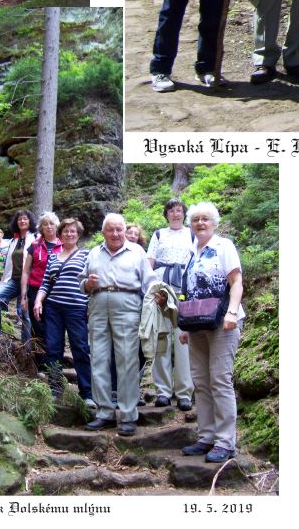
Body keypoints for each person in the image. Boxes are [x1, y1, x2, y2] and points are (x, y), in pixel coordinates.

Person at [178, 201, 245, 464]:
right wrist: (184, 326)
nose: (200, 223)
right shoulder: (190, 252)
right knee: (201, 382)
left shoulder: (223, 246)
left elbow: (236, 281)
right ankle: (206, 437)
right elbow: (188, 291)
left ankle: (225, 442)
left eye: (205, 219)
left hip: (222, 323)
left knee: (219, 380)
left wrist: (232, 311)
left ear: (214, 223)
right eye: (195, 219)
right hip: (197, 325)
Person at [81, 213, 149, 437]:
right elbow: (82, 282)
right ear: (103, 232)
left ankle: (128, 415)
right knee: (99, 358)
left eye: (119, 229)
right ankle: (104, 412)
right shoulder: (93, 252)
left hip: (128, 307)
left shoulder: (137, 252)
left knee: (128, 359)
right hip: (98, 307)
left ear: (124, 230)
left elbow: (149, 282)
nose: (116, 233)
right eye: (110, 229)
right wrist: (87, 284)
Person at [34, 217, 94, 403]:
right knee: (53, 349)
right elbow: (45, 283)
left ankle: (87, 393)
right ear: (60, 234)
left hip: (76, 307)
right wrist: (38, 301)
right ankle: (55, 389)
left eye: (73, 231)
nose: (69, 233)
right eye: (66, 231)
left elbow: (91, 283)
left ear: (78, 235)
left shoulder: (87, 255)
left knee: (80, 348)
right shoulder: (52, 256)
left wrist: (90, 304)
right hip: (53, 308)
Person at [146, 199, 195, 411]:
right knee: (161, 340)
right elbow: (149, 264)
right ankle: (163, 391)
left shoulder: (192, 234)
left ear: (184, 214)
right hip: (162, 291)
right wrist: (151, 290)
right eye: (171, 211)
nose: (175, 214)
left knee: (184, 342)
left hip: (184, 290)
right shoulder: (158, 235)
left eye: (179, 211)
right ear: (166, 214)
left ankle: (184, 392)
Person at [0, 210, 37, 343]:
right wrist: (2, 281)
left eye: (25, 219)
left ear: (30, 221)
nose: (22, 221)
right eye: (19, 219)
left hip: (29, 281)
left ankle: (27, 346)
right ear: (16, 223)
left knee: (25, 313)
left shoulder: (35, 238)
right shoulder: (13, 240)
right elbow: (8, 263)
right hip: (13, 280)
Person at [20, 212, 61, 362]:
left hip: (57, 291)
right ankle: (39, 363)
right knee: (37, 326)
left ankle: (54, 361)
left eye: (51, 223)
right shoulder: (35, 245)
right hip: (35, 289)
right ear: (41, 228)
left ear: (57, 225)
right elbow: (25, 271)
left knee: (54, 326)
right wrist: (24, 296)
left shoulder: (64, 243)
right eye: (45, 224)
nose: (49, 227)